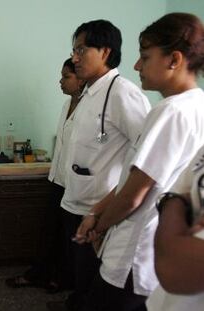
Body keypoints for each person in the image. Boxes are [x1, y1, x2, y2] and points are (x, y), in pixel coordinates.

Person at [74, 12, 204, 311]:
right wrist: (97, 211)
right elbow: (133, 182)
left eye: (145, 57)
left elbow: (134, 195)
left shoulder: (169, 112)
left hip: (133, 251)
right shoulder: (197, 105)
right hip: (154, 252)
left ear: (174, 60)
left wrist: (99, 227)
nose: (136, 66)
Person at [47, 20, 150, 311]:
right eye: (74, 50)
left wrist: (103, 213)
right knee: (81, 276)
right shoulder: (89, 93)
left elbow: (145, 160)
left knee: (96, 282)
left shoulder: (124, 94)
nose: (75, 57)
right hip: (76, 201)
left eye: (81, 49)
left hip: (99, 211)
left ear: (105, 52)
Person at [5, 58, 85, 293]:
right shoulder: (66, 105)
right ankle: (39, 274)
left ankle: (61, 280)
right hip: (57, 180)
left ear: (81, 79)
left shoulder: (90, 109)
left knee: (69, 238)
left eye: (66, 77)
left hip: (75, 185)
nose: (60, 81)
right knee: (49, 232)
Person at [146, 145, 204, 311]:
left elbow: (176, 268)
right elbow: (174, 196)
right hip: (162, 302)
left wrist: (174, 204)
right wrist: (174, 202)